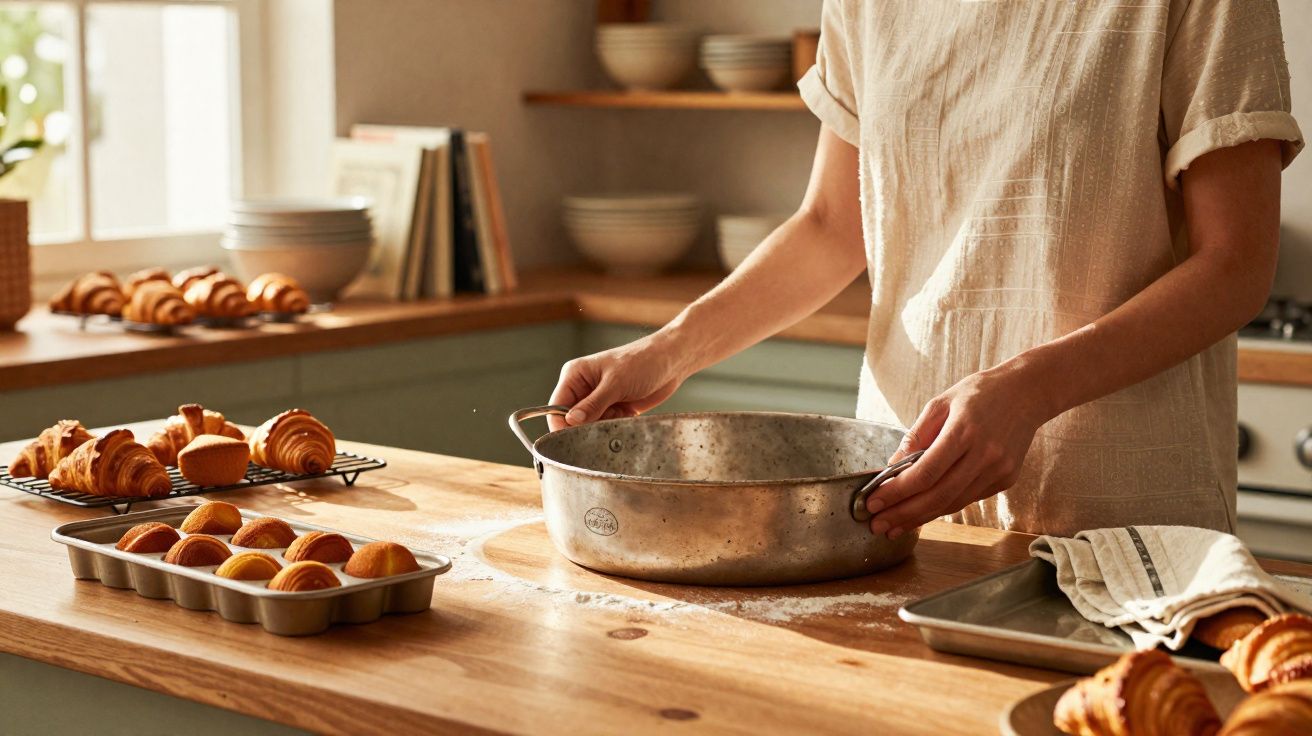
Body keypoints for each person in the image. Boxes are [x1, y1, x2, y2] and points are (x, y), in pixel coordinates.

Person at [549, 1, 1303, 538]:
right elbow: (831, 228)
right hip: (900, 502)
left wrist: (1027, 390)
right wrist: (663, 349)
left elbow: (1234, 264)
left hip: (1120, 513)